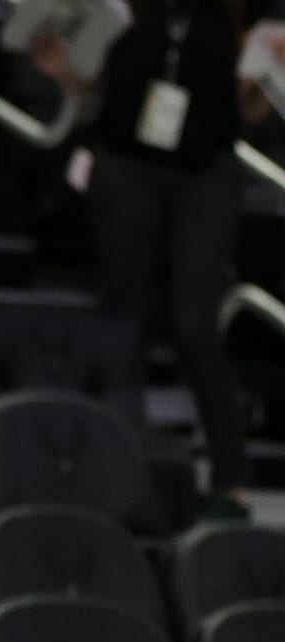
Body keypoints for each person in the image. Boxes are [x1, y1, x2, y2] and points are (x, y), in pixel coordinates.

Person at [33, 0, 281, 521]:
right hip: (127, 165)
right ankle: (109, 468)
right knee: (124, 319)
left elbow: (249, 108)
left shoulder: (235, 17)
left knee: (197, 326)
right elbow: (90, 84)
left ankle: (230, 477)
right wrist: (61, 72)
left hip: (205, 171)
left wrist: (269, 74)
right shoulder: (124, 12)